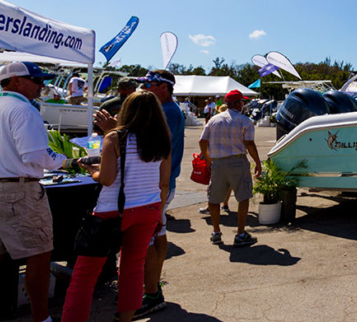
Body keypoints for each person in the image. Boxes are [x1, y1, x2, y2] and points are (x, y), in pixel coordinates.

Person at [61, 91, 171, 322]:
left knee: (85, 274)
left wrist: (92, 170)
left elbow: (107, 178)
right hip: (149, 207)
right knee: (132, 269)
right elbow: (163, 182)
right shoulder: (162, 139)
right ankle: (125, 319)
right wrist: (159, 212)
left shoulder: (114, 137)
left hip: (113, 210)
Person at [0, 62, 71, 322]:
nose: (42, 85)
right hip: (17, 191)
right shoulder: (24, 110)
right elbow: (35, 155)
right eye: (36, 79)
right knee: (39, 255)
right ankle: (41, 319)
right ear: (15, 81)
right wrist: (63, 160)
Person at [93, 69, 183, 317]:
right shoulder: (165, 109)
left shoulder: (167, 112)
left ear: (164, 87)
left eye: (149, 84)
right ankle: (152, 290)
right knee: (153, 239)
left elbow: (147, 145)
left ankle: (152, 292)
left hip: (153, 188)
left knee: (149, 243)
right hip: (155, 187)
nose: (143, 89)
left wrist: (115, 130)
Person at [200, 90, 261, 247]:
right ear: (237, 104)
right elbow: (249, 143)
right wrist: (258, 162)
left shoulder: (213, 120)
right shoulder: (244, 121)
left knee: (214, 198)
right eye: (242, 102)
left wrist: (208, 159)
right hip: (237, 161)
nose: (243, 104)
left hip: (218, 163)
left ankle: (216, 232)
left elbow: (202, 141)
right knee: (243, 196)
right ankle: (240, 233)